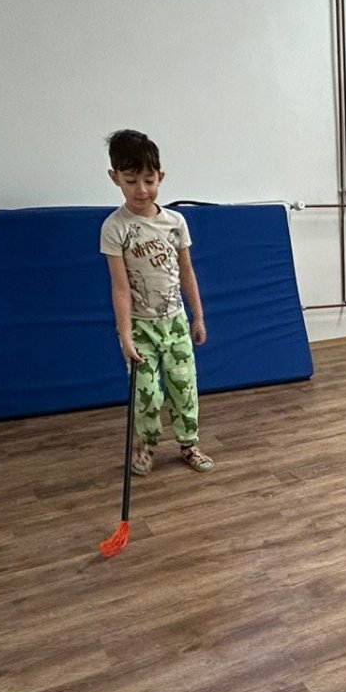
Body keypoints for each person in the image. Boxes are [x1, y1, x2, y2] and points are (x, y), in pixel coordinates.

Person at [100, 128, 212, 473]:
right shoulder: (115, 227)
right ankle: (146, 445)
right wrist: (125, 336)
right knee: (145, 394)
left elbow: (187, 272)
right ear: (115, 178)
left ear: (160, 177)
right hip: (141, 328)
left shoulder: (175, 222)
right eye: (131, 181)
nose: (141, 190)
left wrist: (198, 316)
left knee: (184, 387)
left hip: (175, 322)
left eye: (149, 181)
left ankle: (189, 444)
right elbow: (120, 287)